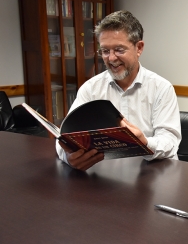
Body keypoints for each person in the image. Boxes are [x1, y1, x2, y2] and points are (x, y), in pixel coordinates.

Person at [56, 10, 181, 170]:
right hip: (104, 179)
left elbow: (170, 141)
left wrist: (145, 143)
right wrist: (68, 157)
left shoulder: (161, 88)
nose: (112, 58)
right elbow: (64, 138)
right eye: (105, 51)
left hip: (153, 175)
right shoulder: (91, 88)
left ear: (139, 48)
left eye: (119, 50)